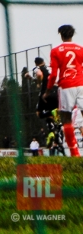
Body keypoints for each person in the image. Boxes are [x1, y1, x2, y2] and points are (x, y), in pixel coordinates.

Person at [46, 24, 83, 157]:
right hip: (81, 84)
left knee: (66, 118)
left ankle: (74, 153)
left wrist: (48, 90)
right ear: (72, 35)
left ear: (61, 35)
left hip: (66, 86)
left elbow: (54, 74)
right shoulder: (81, 49)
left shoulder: (56, 51)